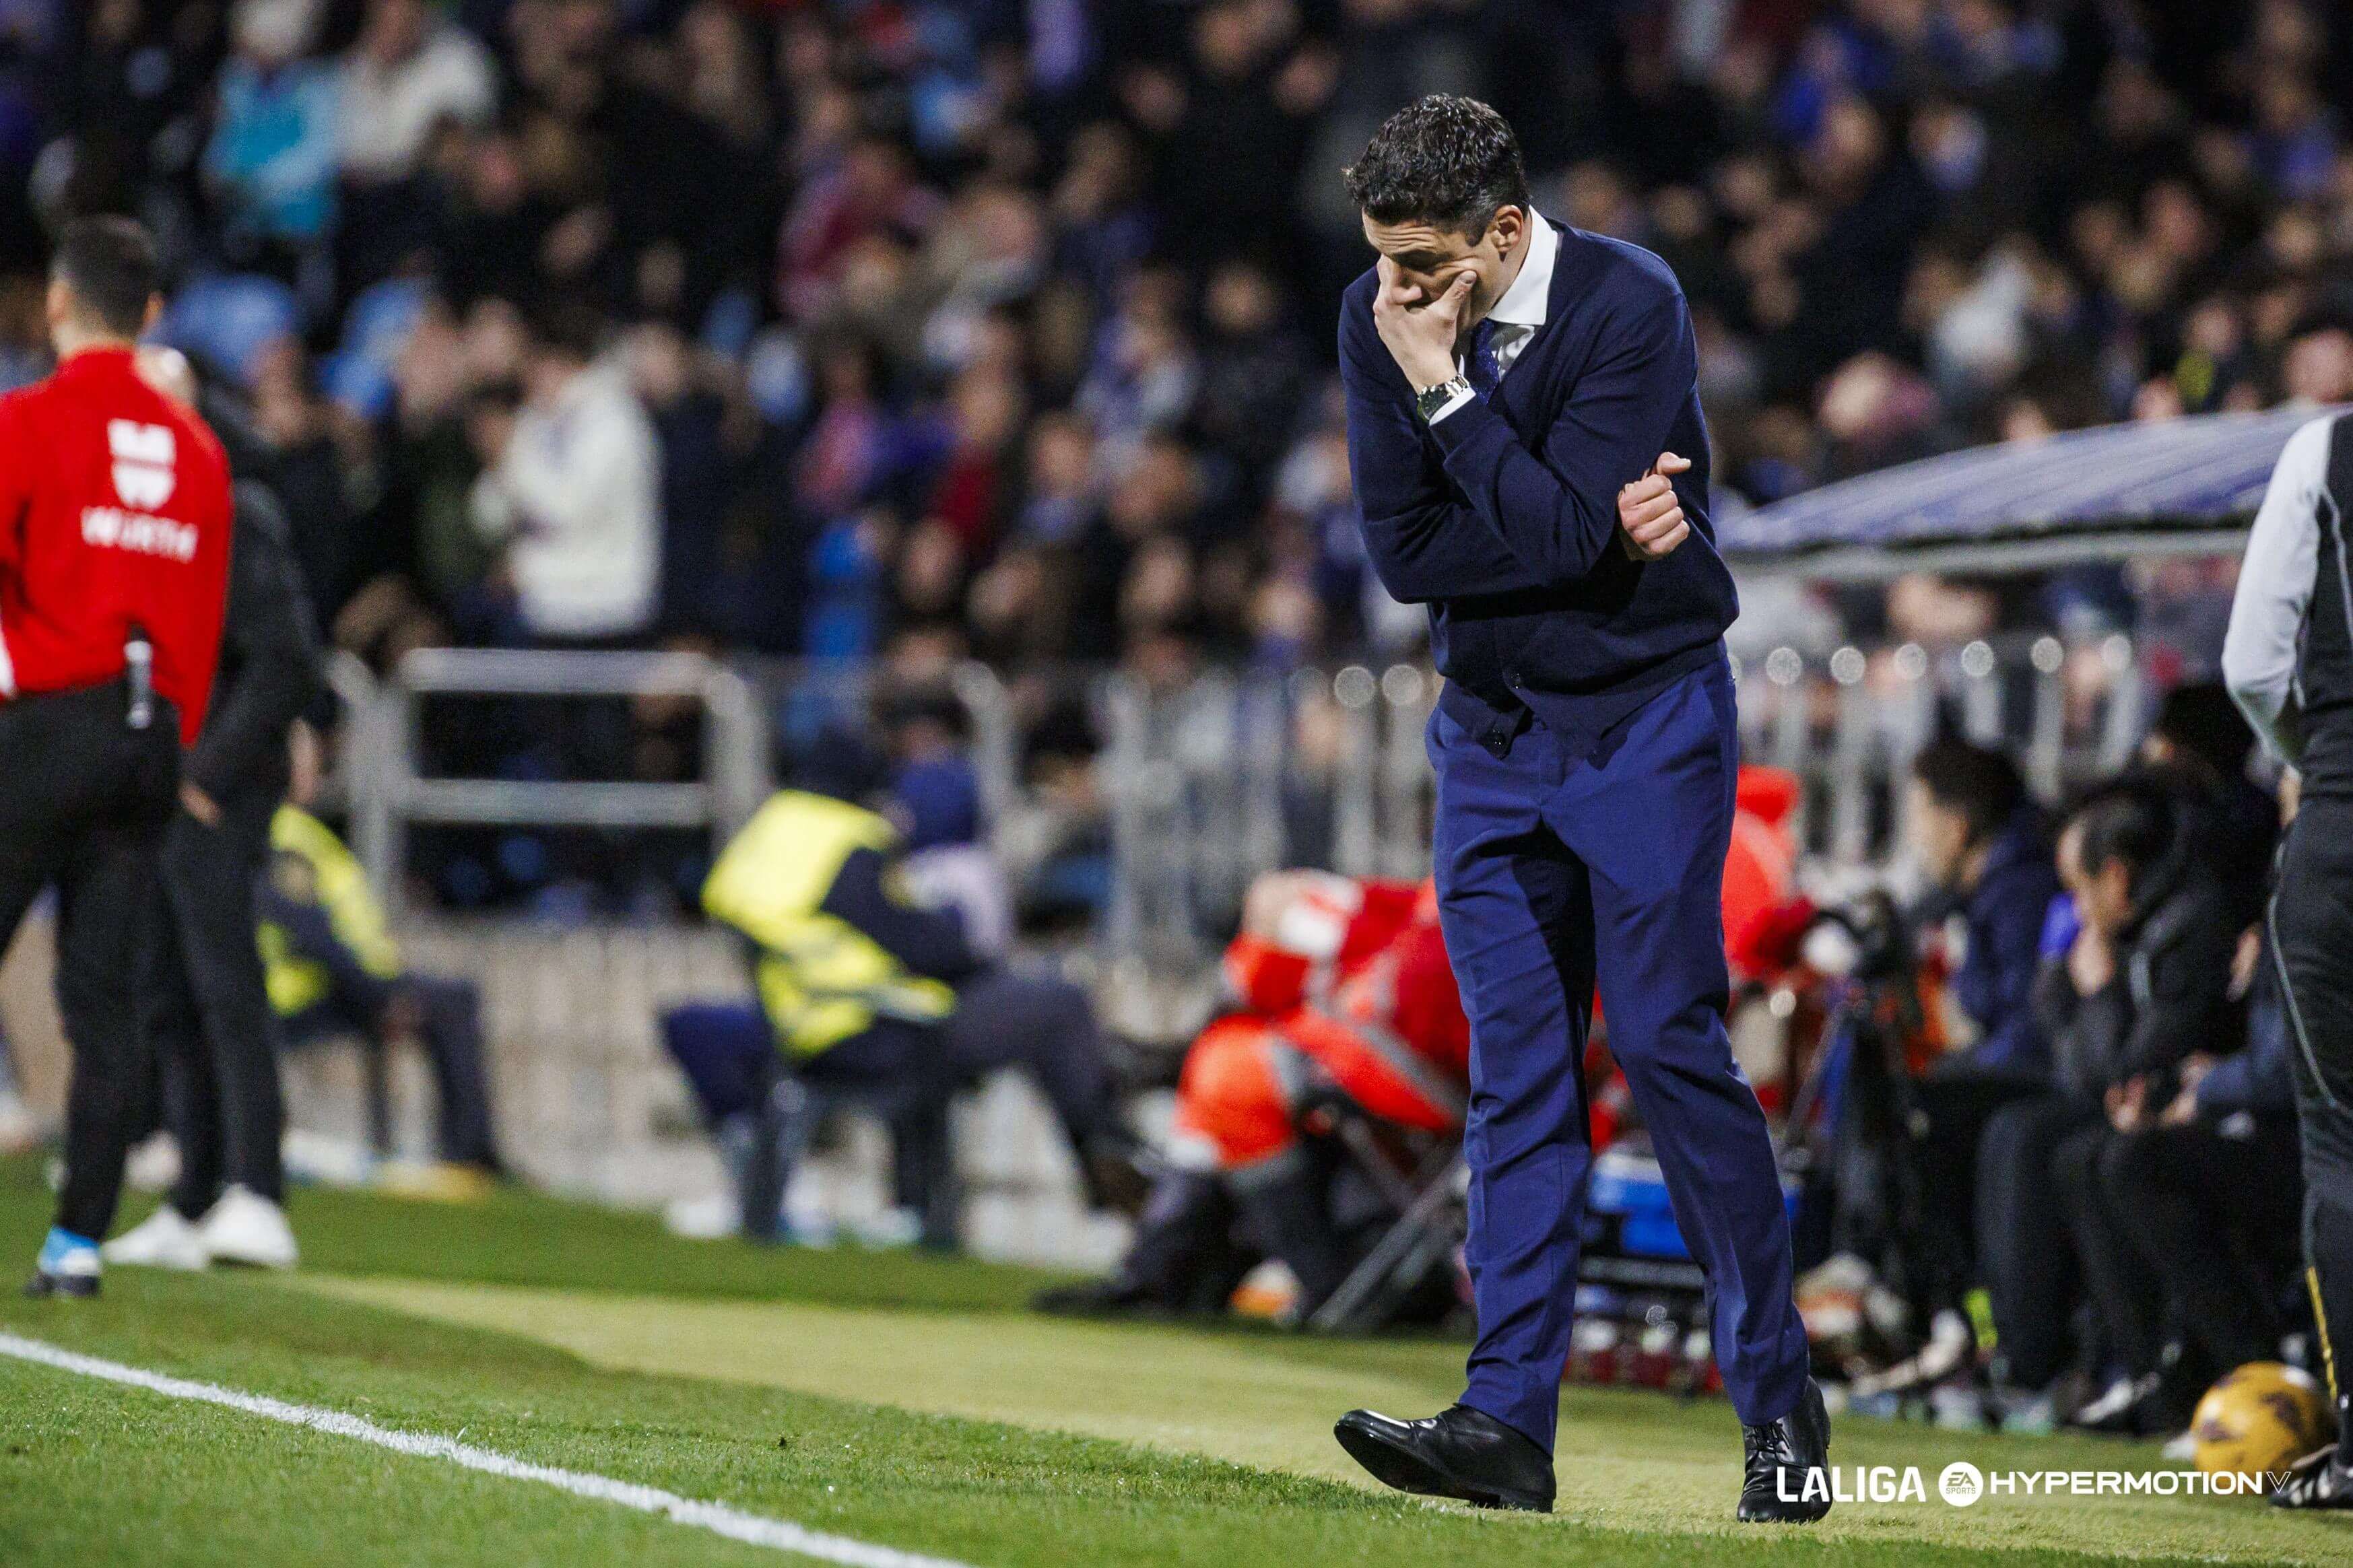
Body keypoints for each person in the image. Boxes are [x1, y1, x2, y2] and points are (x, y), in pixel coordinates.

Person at [1328, 96, 1822, 1520]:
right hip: (1488, 733)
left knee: (1670, 1049)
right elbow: (1407, 550)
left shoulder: (1627, 300)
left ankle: (1781, 1418)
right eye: (1382, 265)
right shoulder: (1379, 313)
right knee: (1517, 1077)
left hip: (1645, 721)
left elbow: (1530, 528)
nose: (1397, 297)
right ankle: (1505, 1425)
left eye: (1424, 266)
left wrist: (1449, 404)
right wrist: (1574, 525)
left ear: (1502, 231)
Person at [0, 217, 236, 1296]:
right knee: (105, 1000)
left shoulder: (30, 420)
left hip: (47, 719)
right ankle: (78, 1242)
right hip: (151, 739)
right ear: (150, 316)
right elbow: (199, 621)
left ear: (56, 305)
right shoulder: (198, 449)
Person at [700, 784, 1147, 1247]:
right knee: (1060, 1006)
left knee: (1049, 1014)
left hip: (818, 1029)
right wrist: (967, 950)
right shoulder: (848, 843)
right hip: (888, 1030)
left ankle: (1115, 1145)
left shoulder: (780, 840)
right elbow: (918, 944)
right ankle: (1117, 1156)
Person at [104, 348, 322, 1273]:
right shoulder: (143, 519)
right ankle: (195, 1195)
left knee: (226, 983)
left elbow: (283, 660)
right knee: (165, 987)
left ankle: (258, 1191)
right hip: (158, 783)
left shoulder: (235, 510)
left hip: (215, 788)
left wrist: (205, 776)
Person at [1043, 872, 1469, 1321]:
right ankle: (1163, 1264)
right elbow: (1413, 913)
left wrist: (1349, 936)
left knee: (1231, 1075)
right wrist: (1328, 896)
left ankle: (1303, 1275)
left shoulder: (1514, 872)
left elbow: (1429, 987)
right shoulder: (1477, 856)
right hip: (1366, 1042)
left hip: (1418, 1070)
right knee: (1230, 1044)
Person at [1978, 779, 2239, 1417]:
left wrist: (2094, 994)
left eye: (2079, 888)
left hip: (2213, 1118)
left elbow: (2118, 1069)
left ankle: (2158, 1369)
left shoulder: (2184, 927)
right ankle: (2047, 1355)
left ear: (2117, 875)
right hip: (2142, 1103)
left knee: (2082, 1154)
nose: (2075, 908)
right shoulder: (2139, 929)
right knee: (2019, 1129)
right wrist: (2068, 987)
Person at [2222, 408, 2353, 1507]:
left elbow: (2250, 663)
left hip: (2344, 838)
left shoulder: (2327, 448)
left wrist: (2308, 761)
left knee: (2342, 1148)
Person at [257, 795, 504, 1177]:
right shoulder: (288, 840)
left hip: (344, 986)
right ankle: (468, 1155)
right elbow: (312, 936)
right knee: (451, 1004)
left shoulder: (301, 832)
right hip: (307, 996)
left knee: (455, 997)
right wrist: (380, 997)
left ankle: (469, 1154)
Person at [1901, 739, 2059, 1318]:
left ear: (1957, 822)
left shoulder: (2019, 889)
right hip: (2012, 1058)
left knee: (1921, 1111)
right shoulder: (1974, 892)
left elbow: (2029, 1020)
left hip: (2038, 1070)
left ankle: (1958, 1311)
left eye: (1920, 814)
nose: (1915, 834)